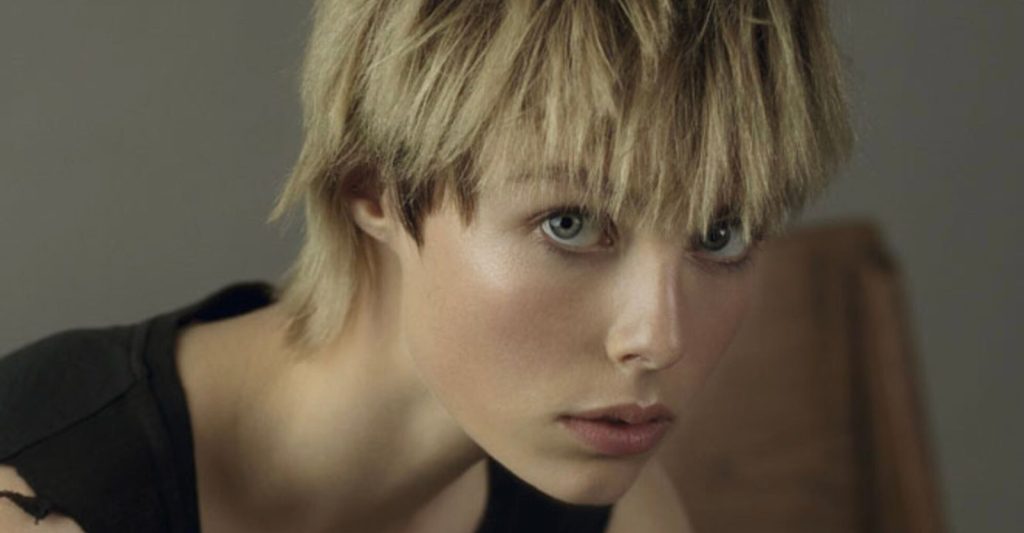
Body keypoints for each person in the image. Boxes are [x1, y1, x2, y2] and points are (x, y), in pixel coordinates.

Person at [0, 0, 852, 531]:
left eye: (721, 234)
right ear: (372, 186)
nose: (658, 337)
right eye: (570, 223)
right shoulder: (43, 488)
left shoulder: (625, 512)